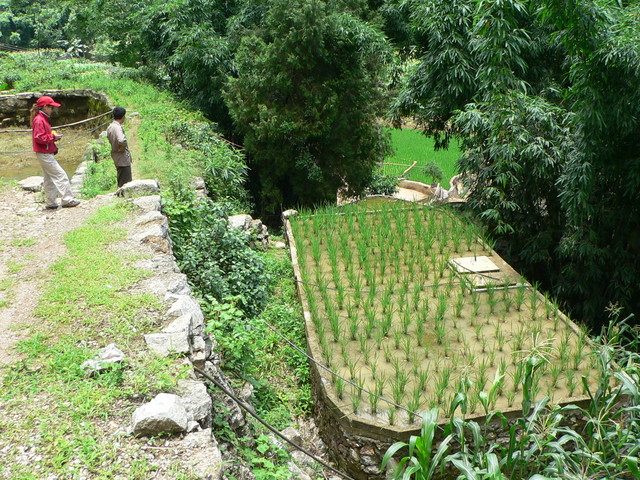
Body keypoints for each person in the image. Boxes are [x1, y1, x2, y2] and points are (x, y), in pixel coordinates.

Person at [30, 95, 80, 209]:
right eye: (51, 107)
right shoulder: (39, 120)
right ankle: (67, 199)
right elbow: (39, 138)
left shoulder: (41, 119)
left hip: (44, 153)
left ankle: (51, 202)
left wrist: (52, 137)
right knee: (60, 175)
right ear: (45, 107)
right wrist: (53, 137)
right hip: (44, 153)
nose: (52, 109)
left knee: (49, 179)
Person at [105, 106, 132, 188]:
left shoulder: (110, 127)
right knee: (126, 183)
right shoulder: (117, 128)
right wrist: (122, 148)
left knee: (121, 178)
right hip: (122, 158)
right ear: (123, 116)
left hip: (116, 156)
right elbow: (121, 140)